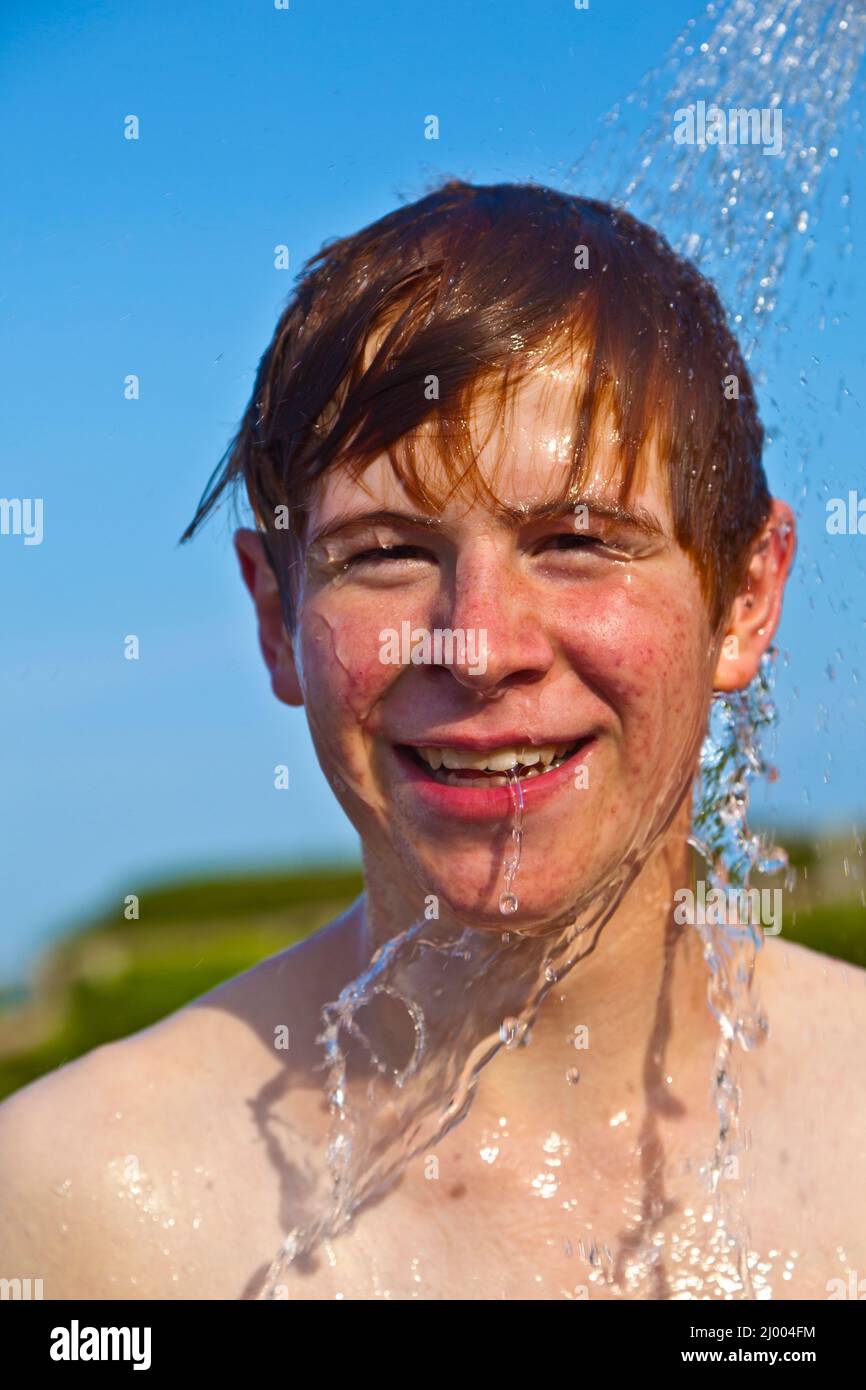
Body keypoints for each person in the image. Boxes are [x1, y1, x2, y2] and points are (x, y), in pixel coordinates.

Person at [1, 181, 863, 1301]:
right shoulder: (82, 1205)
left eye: (576, 539)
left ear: (744, 596)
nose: (478, 644)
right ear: (273, 614)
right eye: (383, 553)